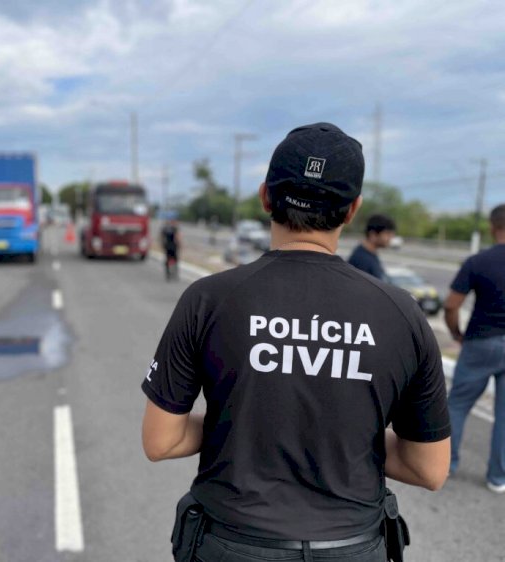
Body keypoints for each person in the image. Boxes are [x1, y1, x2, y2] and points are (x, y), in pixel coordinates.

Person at [141, 123, 450, 562]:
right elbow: (429, 467)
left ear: (266, 196)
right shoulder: (402, 313)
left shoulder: (207, 299)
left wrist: (244, 425)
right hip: (351, 547)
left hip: (231, 544)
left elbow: (162, 441)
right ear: (352, 211)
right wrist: (344, 439)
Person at [444, 204, 505, 494]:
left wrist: (456, 332)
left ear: (493, 227)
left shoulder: (478, 261)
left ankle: (446, 465)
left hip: (481, 341)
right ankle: (497, 477)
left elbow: (451, 305)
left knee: (457, 404)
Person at [347, 214, 396, 280]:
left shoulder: (370, 255)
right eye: (387, 234)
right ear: (373, 234)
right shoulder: (361, 260)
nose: (391, 238)